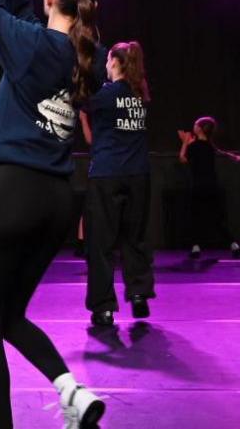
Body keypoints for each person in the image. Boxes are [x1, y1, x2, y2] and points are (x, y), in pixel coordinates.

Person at [0, 0, 105, 429]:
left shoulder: (34, 49)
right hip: (55, 200)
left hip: (13, 193)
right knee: (10, 317)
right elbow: (25, 15)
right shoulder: (81, 56)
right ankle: (70, 390)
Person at [80, 41, 154, 328]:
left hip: (108, 174)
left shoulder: (105, 96)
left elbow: (80, 99)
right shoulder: (140, 95)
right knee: (134, 238)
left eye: (109, 61)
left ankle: (104, 308)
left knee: (100, 243)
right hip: (138, 175)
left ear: (115, 63)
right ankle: (138, 294)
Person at [177, 117, 240, 259]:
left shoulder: (195, 146)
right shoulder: (208, 145)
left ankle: (195, 247)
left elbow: (183, 159)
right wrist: (234, 156)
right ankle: (233, 244)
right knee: (216, 218)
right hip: (211, 186)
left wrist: (185, 143)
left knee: (194, 217)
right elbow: (220, 151)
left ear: (200, 129)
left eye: (195, 125)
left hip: (198, 186)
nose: (193, 126)